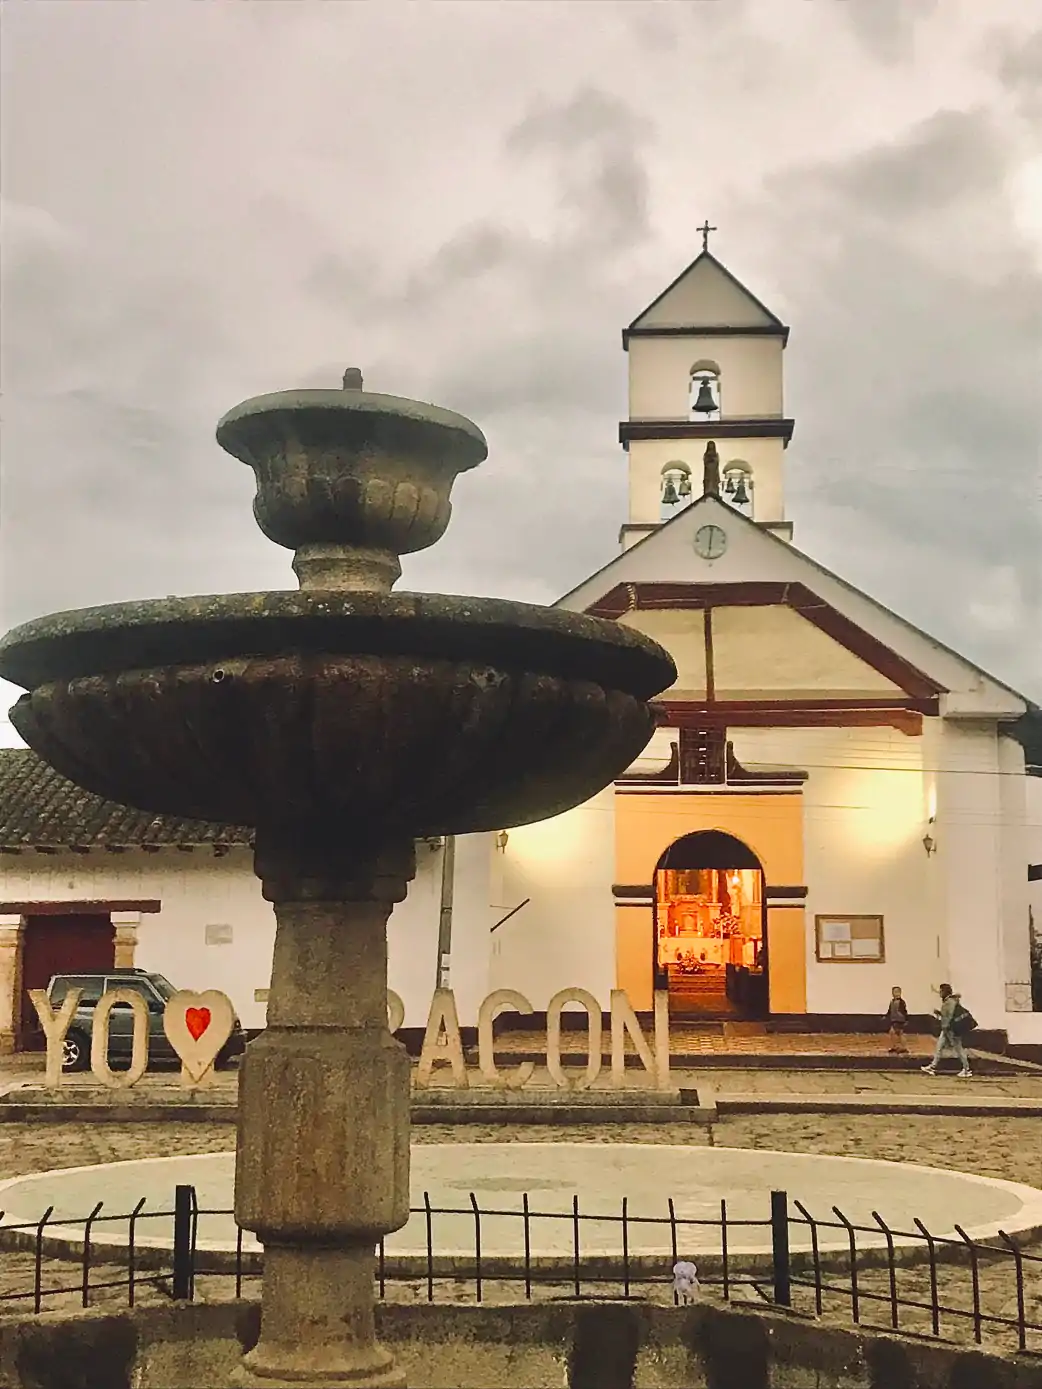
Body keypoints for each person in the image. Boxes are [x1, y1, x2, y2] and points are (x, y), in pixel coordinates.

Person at [921, 984, 972, 1078]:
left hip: (950, 1029)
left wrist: (946, 1028)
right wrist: (939, 1013)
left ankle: (967, 1069)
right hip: (947, 1029)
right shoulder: (949, 1001)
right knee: (939, 1047)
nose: (939, 993)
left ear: (944, 992)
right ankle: (932, 1066)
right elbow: (947, 1015)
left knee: (958, 1048)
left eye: (941, 991)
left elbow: (949, 1017)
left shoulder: (949, 1002)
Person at [884, 986, 909, 1054]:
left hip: (899, 1020)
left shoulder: (901, 1002)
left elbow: (904, 1011)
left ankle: (903, 1047)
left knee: (898, 1033)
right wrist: (886, 1016)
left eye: (897, 992)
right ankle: (896, 1046)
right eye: (894, 992)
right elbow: (890, 1011)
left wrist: (906, 1019)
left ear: (900, 993)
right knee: (894, 1033)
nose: (895, 993)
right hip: (894, 1019)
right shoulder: (892, 1001)